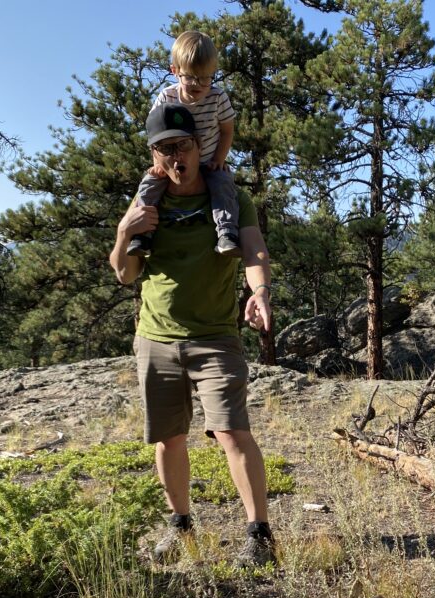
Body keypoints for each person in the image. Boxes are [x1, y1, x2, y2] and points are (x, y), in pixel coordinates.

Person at [109, 103, 276, 567]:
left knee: (232, 431)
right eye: (164, 150)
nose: (175, 157)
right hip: (155, 339)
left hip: (215, 336)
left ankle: (259, 536)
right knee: (168, 438)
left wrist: (259, 292)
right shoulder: (148, 201)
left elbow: (254, 249)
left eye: (181, 146)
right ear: (154, 156)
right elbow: (124, 274)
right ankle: (179, 528)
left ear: (199, 146)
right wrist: (126, 232)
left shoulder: (229, 198)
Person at [127, 30, 240, 259]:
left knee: (223, 186)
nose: (198, 84)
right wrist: (158, 164)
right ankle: (142, 235)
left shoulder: (218, 98)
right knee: (149, 187)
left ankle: (226, 233)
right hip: (173, 163)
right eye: (191, 77)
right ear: (175, 71)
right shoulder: (166, 98)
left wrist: (219, 159)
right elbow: (155, 134)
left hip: (207, 161)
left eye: (206, 77)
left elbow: (227, 130)